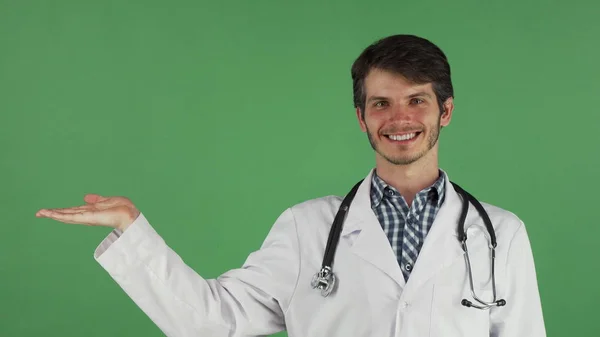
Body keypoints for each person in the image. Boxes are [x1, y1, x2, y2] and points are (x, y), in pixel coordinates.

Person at [36, 34, 546, 337]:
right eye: (380, 103)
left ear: (446, 111)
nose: (399, 118)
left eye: (416, 100)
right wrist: (132, 232)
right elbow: (215, 323)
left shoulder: (502, 234)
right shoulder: (307, 229)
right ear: (361, 118)